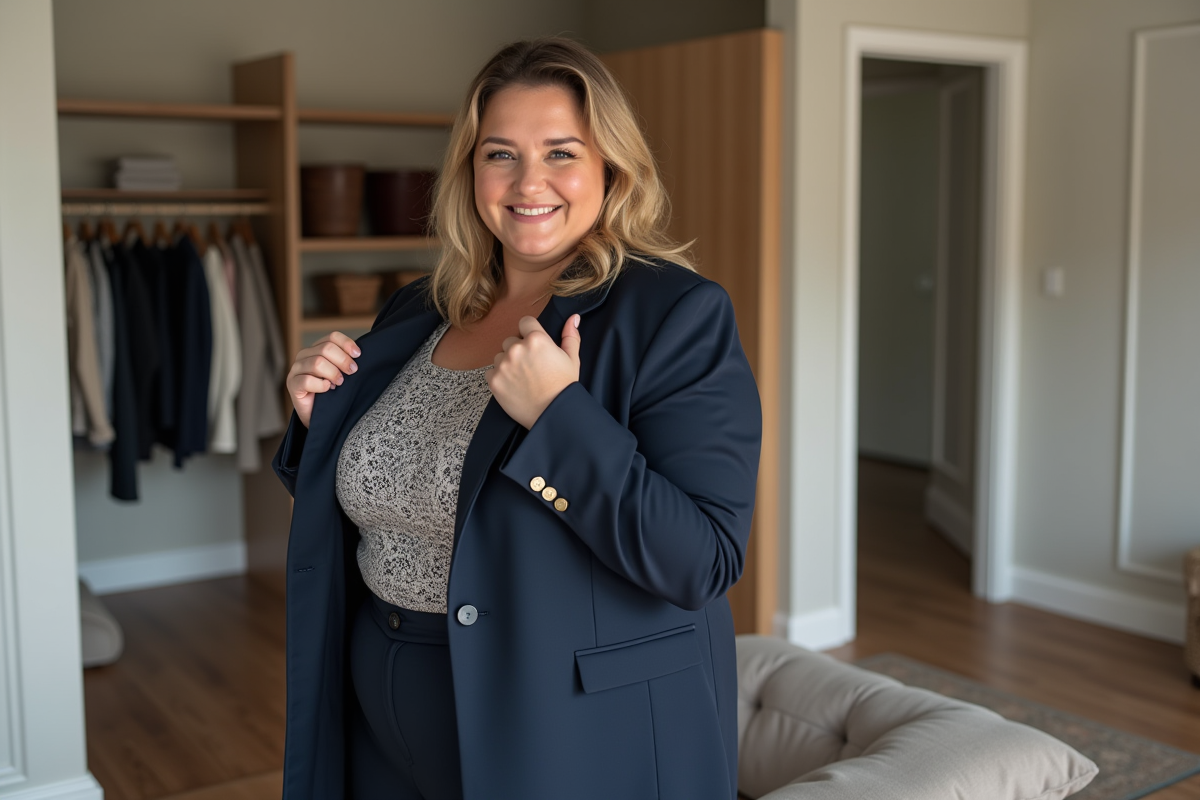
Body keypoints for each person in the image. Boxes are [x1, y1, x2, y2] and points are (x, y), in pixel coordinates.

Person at [273, 36, 762, 800]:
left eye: (561, 152)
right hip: (376, 710)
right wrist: (316, 420)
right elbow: (387, 499)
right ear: (471, 172)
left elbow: (701, 559)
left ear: (612, 167)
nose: (529, 181)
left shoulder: (675, 315)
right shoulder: (417, 310)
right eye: (500, 154)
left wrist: (558, 418)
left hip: (563, 725)